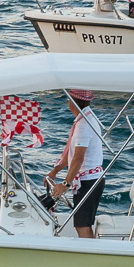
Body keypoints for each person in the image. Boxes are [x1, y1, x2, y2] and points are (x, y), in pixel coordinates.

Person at [44, 90, 105, 238]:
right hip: (89, 179)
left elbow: (78, 158)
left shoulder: (83, 125)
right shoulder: (87, 118)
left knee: (82, 225)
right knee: (82, 223)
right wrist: (54, 171)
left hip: (89, 182)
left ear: (72, 102)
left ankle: (91, 252)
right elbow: (71, 154)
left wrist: (65, 184)